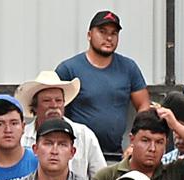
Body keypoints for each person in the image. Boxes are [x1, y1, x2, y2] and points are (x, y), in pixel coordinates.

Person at [63, 10, 152, 158]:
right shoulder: (69, 69)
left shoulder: (128, 68)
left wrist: (135, 144)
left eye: (114, 33)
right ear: (89, 35)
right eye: (102, 32)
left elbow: (144, 106)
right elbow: (56, 110)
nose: (109, 38)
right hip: (77, 155)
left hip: (115, 155)